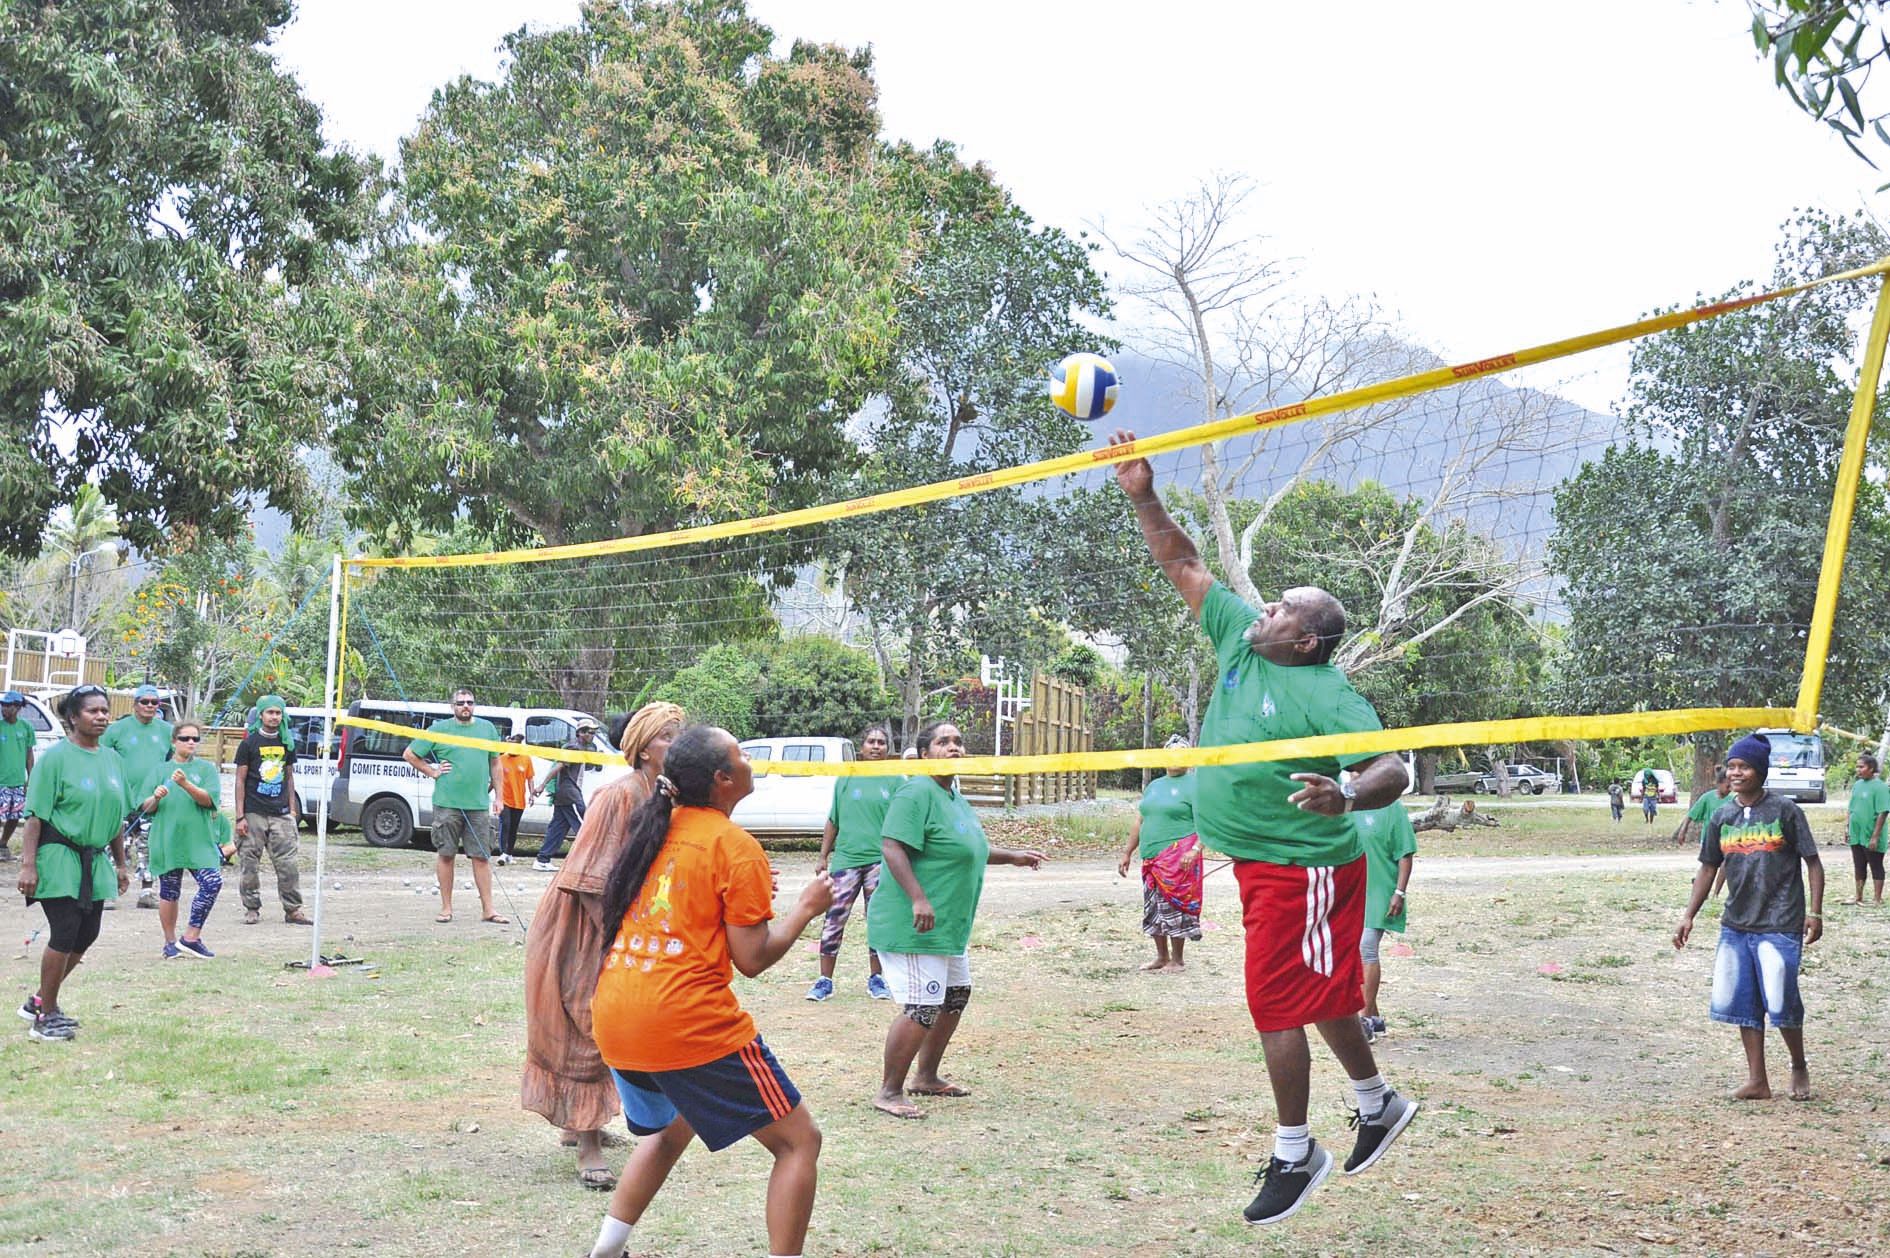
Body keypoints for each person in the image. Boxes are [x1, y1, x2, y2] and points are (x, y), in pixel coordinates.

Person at [1112, 427, 1418, 1226]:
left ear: (1305, 641)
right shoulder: (1240, 643)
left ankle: (1296, 1150)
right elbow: (1183, 564)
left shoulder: (1330, 694)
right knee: (1318, 998)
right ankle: (1377, 1101)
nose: (1268, 607)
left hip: (1304, 866)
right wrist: (1144, 495)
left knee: (1278, 1004)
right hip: (1257, 862)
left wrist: (1349, 797)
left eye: (1283, 609)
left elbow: (1396, 771)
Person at [584, 724, 833, 1258]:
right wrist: (807, 909)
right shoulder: (735, 846)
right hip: (684, 1024)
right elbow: (753, 960)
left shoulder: (656, 827)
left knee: (671, 1128)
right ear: (723, 780)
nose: (750, 763)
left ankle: (606, 1249)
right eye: (742, 756)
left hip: (616, 1014)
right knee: (798, 1142)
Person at [523, 702, 684, 1192]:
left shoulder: (659, 794)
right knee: (586, 1025)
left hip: (621, 924)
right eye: (666, 737)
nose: (675, 746)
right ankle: (588, 1145)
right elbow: (590, 882)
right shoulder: (616, 795)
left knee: (608, 1024)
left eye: (679, 736)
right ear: (641, 747)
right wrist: (614, 942)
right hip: (583, 927)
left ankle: (580, 1125)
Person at [866, 719, 1047, 1120]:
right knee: (922, 1005)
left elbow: (970, 846)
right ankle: (889, 1091)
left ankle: (925, 1077)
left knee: (955, 995)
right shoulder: (916, 791)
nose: (953, 748)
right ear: (925, 752)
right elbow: (892, 846)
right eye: (943, 742)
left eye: (958, 742)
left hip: (947, 925)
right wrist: (918, 898)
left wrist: (1013, 855)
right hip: (914, 923)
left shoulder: (952, 796)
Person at [1674, 732, 1823, 1102]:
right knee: (1744, 1002)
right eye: (1733, 766)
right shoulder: (1722, 815)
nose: (1736, 773)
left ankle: (1798, 1064)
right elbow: (1708, 868)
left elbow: (1813, 863)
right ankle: (1758, 1080)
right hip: (1736, 925)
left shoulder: (1786, 811)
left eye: (1745, 767)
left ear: (1761, 771)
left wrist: (1815, 912)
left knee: (1781, 999)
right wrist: (1688, 915)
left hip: (1781, 923)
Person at [15, 686, 132, 1041]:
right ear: (73, 717)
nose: (101, 717)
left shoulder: (113, 760)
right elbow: (35, 817)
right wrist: (28, 864)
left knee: (88, 932)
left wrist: (121, 863)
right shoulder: (55, 758)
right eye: (92, 711)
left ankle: (39, 999)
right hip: (58, 855)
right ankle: (45, 1016)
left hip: (94, 860)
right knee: (64, 931)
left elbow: (117, 818)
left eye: (104, 711)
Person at [808, 722, 898, 1002]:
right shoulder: (846, 777)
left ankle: (877, 979)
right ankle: (824, 981)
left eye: (881, 742)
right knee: (834, 919)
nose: (875, 746)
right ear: (861, 747)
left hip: (879, 863)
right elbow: (833, 820)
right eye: (871, 741)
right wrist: (823, 856)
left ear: (887, 749)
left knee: (878, 920)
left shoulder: (896, 780)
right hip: (846, 861)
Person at [402, 688, 507, 924]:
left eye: (469, 702)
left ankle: (489, 909)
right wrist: (433, 771)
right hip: (447, 805)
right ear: (453, 707)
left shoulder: (487, 729)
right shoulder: (439, 729)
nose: (465, 706)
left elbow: (496, 764)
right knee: (446, 854)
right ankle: (446, 908)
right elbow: (409, 754)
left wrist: (499, 797)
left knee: (481, 856)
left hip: (478, 805)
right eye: (460, 703)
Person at [137, 720, 231, 959]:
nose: (191, 743)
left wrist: (185, 784)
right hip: (167, 839)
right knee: (169, 891)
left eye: (195, 739)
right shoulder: (159, 770)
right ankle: (170, 943)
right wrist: (155, 797)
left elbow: (208, 800)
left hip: (199, 840)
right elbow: (145, 807)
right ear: (173, 741)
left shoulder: (206, 770)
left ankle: (190, 937)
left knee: (212, 883)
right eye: (185, 738)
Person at [1116, 735, 1201, 973]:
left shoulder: (1195, 785)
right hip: (1152, 859)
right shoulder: (1154, 786)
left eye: (1181, 753)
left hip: (1180, 857)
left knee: (1175, 906)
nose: (1176, 758)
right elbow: (1140, 820)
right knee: (1154, 906)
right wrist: (1127, 852)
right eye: (1171, 753)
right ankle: (1161, 956)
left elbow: (1206, 821)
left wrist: (1196, 849)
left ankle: (1178, 959)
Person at [232, 694, 311, 925]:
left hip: (281, 813)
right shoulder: (249, 743)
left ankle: (293, 909)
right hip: (254, 812)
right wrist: (240, 816)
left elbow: (289, 778)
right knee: (249, 863)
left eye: (278, 713)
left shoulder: (287, 742)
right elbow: (240, 780)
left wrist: (293, 811)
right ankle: (251, 907)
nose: (274, 717)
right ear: (261, 715)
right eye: (270, 712)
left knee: (288, 864)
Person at [100, 683, 172, 908]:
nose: (149, 706)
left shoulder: (166, 730)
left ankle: (147, 892)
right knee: (115, 845)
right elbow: (101, 756)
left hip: (152, 800)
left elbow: (173, 760)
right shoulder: (118, 729)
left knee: (149, 846)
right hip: (121, 799)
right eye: (145, 702)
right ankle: (108, 890)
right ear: (135, 704)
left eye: (154, 702)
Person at [1355, 800, 1417, 1043]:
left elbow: (1405, 853)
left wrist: (1399, 892)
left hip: (1381, 890)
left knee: (1366, 948)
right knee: (1353, 953)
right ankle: (1376, 1019)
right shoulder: (1350, 804)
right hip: (1354, 890)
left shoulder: (1392, 808)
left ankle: (1364, 1020)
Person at [533, 717, 598, 872]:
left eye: (594, 732)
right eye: (590, 732)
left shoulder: (582, 748)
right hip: (569, 794)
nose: (592, 735)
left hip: (567, 793)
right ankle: (588, 861)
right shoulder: (573, 748)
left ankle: (542, 860)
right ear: (581, 733)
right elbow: (558, 767)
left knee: (558, 828)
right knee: (585, 824)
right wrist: (542, 785)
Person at [1845, 752, 1890, 905]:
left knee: (1875, 865)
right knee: (1859, 865)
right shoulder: (1857, 785)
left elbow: (1883, 812)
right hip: (1856, 833)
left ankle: (1877, 899)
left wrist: (1875, 836)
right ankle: (1858, 896)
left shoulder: (1881, 787)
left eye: (1861, 767)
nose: (1858, 770)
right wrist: (1847, 828)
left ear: (1871, 768)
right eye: (1857, 766)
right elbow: (1851, 809)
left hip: (1871, 834)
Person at [0, 690, 35, 860]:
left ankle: (3, 844)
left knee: (14, 816)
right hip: (1, 782)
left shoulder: (26, 728)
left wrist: (31, 777)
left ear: (17, 707)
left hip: (18, 782)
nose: (3, 708)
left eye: (7, 705)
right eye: (2, 705)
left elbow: (29, 753)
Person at [494, 732, 537, 867]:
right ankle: (503, 853)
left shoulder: (526, 759)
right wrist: (487, 792)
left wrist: (531, 794)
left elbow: (530, 778)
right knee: (505, 824)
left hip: (519, 799)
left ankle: (509, 853)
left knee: (513, 827)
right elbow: (494, 778)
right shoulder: (502, 759)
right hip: (504, 798)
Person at [1681, 765, 1729, 846]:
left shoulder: (1734, 798)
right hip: (1709, 840)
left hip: (1727, 841)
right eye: (1728, 786)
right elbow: (1691, 815)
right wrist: (1683, 831)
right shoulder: (1707, 798)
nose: (1730, 789)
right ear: (1719, 783)